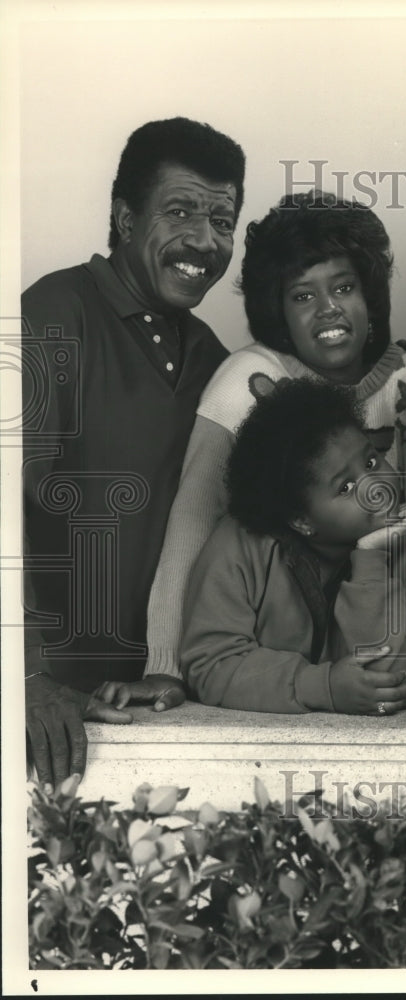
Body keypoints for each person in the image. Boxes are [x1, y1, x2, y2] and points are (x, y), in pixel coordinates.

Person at [97, 190, 406, 717]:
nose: (329, 309)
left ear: (369, 296)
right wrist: (165, 666)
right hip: (279, 639)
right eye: (303, 296)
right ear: (278, 311)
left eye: (345, 287)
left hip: (384, 616)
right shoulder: (248, 381)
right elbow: (193, 520)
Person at [23, 117, 246, 789]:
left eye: (223, 220)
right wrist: (24, 678)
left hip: (154, 700)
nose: (204, 241)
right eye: (179, 211)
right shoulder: (51, 315)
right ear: (123, 217)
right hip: (52, 707)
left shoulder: (211, 355)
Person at [182, 379, 406, 714]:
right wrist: (321, 686)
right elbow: (211, 666)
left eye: (371, 462)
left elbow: (391, 683)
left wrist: (371, 560)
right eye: (346, 487)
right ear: (301, 521)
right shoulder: (239, 546)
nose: (376, 488)